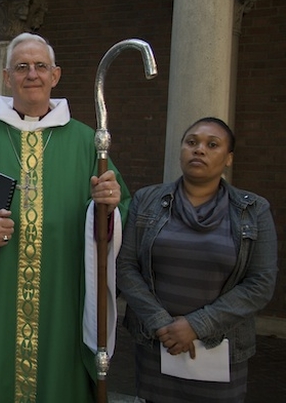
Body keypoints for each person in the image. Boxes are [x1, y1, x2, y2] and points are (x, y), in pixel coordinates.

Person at [0, 32, 130, 402]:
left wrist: (109, 204)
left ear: (56, 75)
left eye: (40, 66)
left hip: (61, 290)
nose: (32, 74)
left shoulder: (87, 140)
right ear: (7, 77)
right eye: (22, 67)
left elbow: (116, 213)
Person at [116, 117, 278, 402]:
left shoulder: (253, 209)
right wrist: (162, 324)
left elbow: (260, 283)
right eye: (191, 142)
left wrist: (195, 326)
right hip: (158, 344)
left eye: (212, 145)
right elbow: (126, 267)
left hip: (220, 348)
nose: (199, 150)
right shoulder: (147, 200)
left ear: (228, 159)